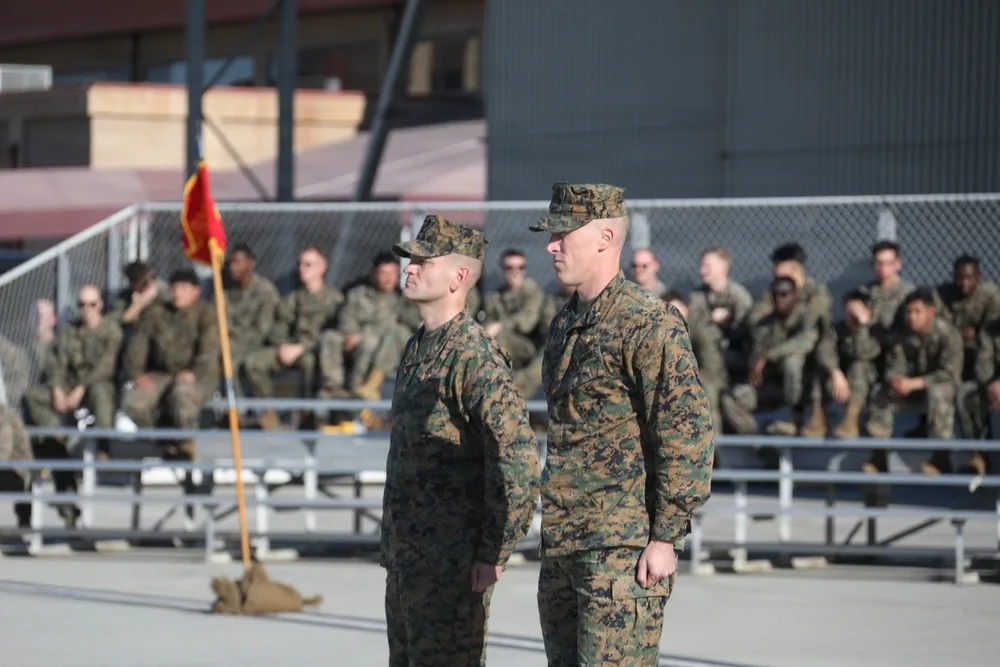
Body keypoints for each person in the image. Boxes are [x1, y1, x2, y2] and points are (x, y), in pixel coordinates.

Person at [528, 182, 715, 666]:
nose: (551, 245)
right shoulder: (565, 323)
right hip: (565, 544)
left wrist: (665, 536)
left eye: (563, 233)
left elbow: (686, 431)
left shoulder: (647, 322)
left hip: (620, 549)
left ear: (605, 237)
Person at [380, 214, 540, 667]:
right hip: (408, 556)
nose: (409, 268)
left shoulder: (473, 355)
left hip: (451, 562)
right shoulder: (418, 346)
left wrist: (494, 550)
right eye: (410, 260)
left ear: (459, 276)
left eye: (422, 261)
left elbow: (517, 458)